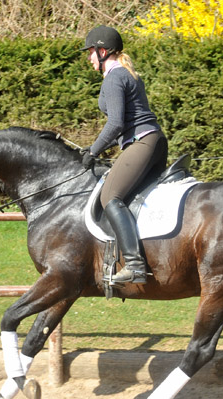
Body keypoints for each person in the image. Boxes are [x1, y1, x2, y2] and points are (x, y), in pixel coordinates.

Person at [81, 25, 168, 285]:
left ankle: (134, 265)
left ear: (103, 50)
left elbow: (116, 123)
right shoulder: (127, 73)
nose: (89, 58)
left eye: (91, 52)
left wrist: (93, 151)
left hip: (141, 142)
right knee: (131, 199)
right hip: (154, 141)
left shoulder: (115, 77)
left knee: (110, 197)